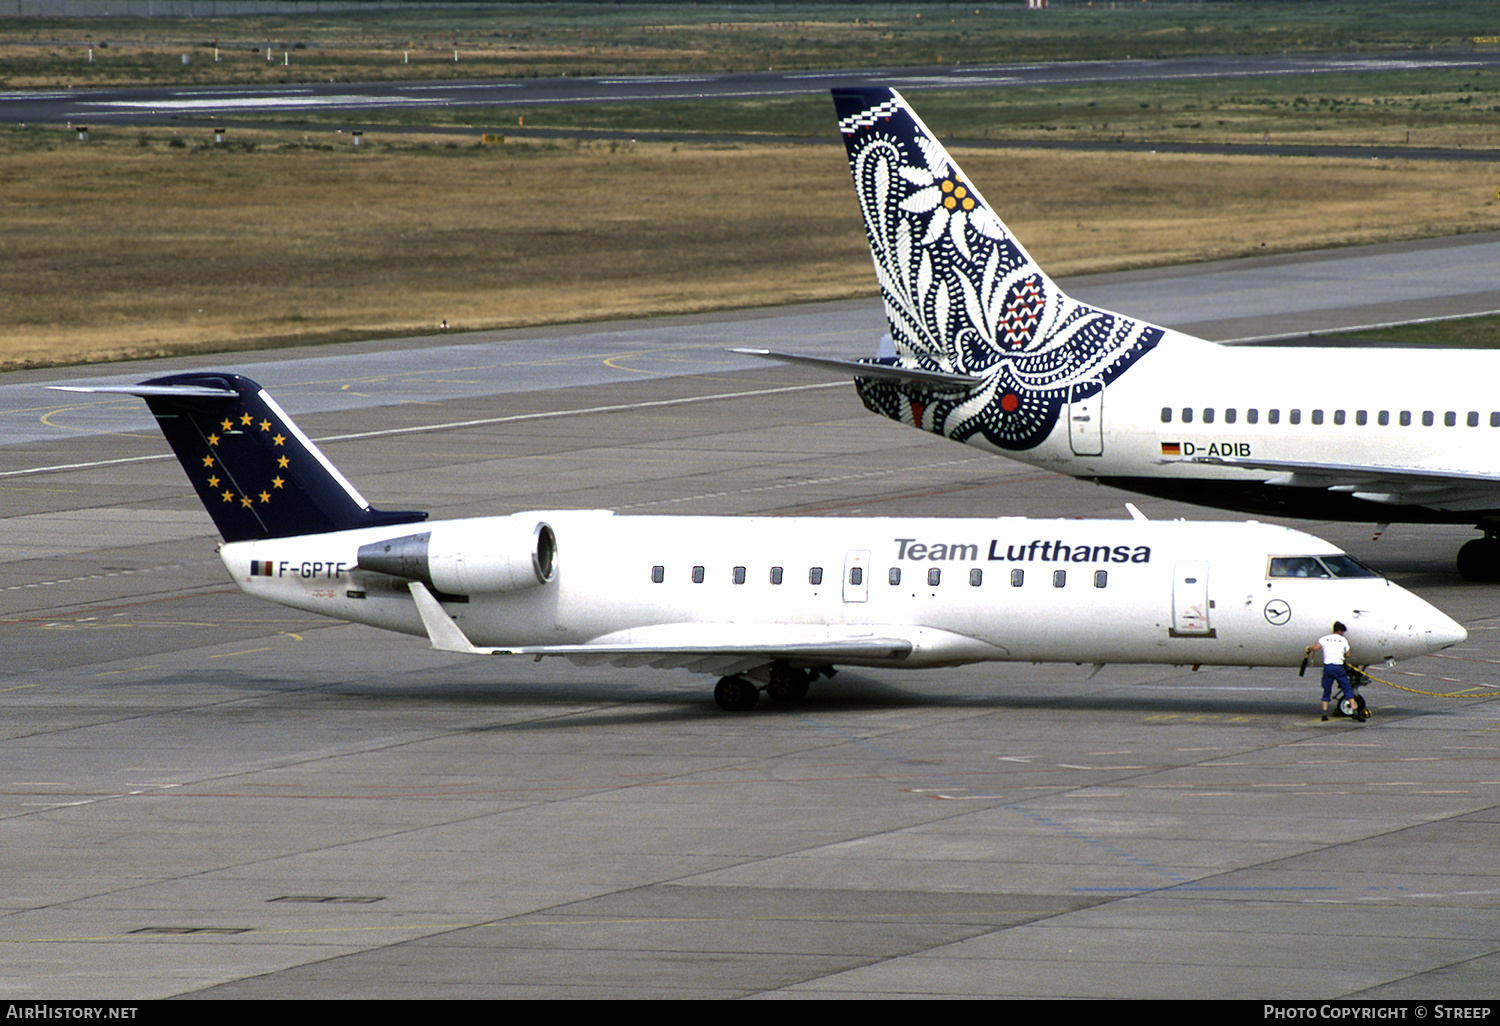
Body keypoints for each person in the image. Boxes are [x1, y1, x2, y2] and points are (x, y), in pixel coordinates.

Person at [1306, 621, 1362, 722]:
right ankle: (1355, 712)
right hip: (1339, 667)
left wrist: (1309, 649)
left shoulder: (1324, 638)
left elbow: (1315, 648)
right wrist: (1341, 655)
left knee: (1326, 690)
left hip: (1328, 667)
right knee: (1347, 689)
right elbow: (1348, 655)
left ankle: (1324, 713)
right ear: (1340, 631)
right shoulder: (1343, 640)